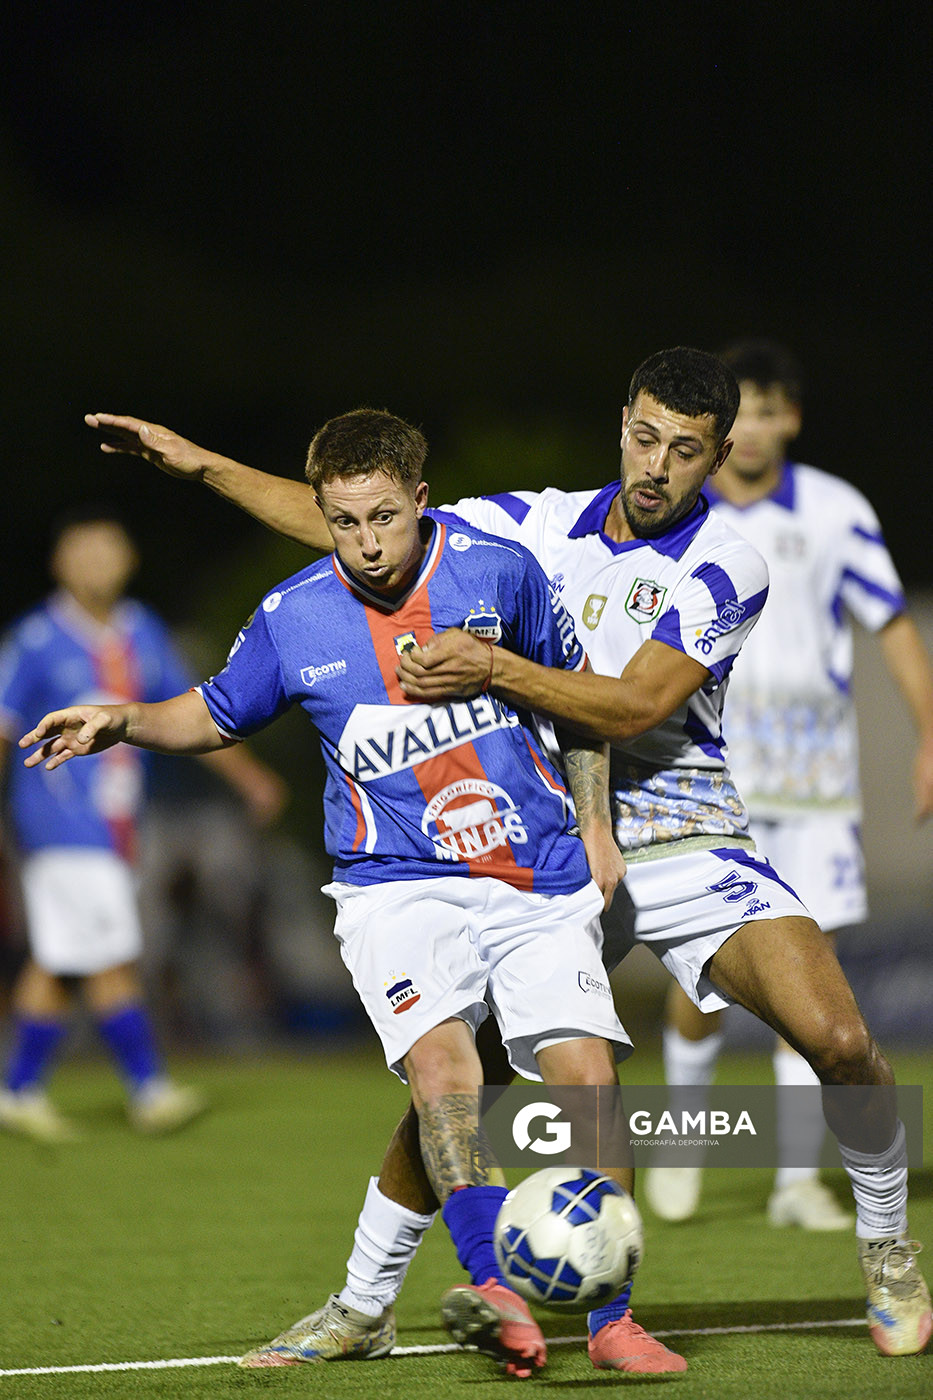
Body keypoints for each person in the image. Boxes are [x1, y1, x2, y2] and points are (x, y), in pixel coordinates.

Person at [81, 350, 932, 1362]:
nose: (657, 464)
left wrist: (490, 662)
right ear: (622, 423)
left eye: (686, 450)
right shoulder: (534, 521)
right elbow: (362, 524)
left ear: (719, 455)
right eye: (645, 436)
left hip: (681, 828)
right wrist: (199, 464)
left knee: (838, 1035)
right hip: (547, 835)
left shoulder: (729, 562)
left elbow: (632, 706)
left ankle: (887, 1247)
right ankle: (362, 1301)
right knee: (459, 1081)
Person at [21, 409, 673, 1381]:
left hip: (534, 869)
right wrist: (124, 718)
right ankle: (493, 1287)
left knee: (590, 1084)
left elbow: (575, 699)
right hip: (393, 883)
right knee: (446, 1074)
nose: (366, 543)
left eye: (381, 517)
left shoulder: (498, 572)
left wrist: (596, 821)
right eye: (341, 521)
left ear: (419, 498)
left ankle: (611, 1315)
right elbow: (212, 711)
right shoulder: (296, 614)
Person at [642, 341, 933, 1231]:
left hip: (813, 786)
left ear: (790, 420)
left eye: (772, 411)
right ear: (723, 432)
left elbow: (888, 623)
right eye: (745, 415)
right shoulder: (675, 515)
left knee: (810, 986)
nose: (759, 428)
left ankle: (792, 1179)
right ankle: (686, 1144)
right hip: (710, 781)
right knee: (704, 976)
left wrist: (927, 737)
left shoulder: (837, 509)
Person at [0, 508, 286, 1140]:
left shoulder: (141, 631)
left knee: (63, 959)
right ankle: (148, 1088)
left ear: (128, 559)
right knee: (110, 954)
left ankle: (18, 1090)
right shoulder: (36, 638)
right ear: (59, 563)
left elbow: (197, 712)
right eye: (83, 551)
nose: (97, 562)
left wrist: (251, 778)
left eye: (108, 549)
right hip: (58, 820)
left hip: (121, 824)